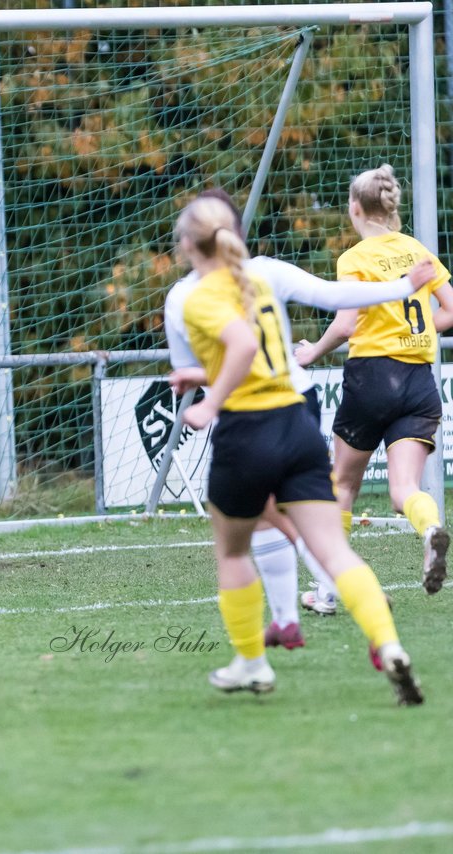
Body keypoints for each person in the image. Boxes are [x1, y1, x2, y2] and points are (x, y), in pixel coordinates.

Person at [168, 194, 424, 705]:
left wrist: (206, 400)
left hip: (246, 430)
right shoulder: (261, 273)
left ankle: (251, 663)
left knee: (233, 549)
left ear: (185, 246)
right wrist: (403, 285)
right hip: (297, 423)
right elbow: (333, 297)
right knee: (333, 549)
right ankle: (388, 643)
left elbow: (240, 348)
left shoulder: (186, 298)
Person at [295, 164, 453, 607]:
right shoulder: (416, 249)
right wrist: (414, 335)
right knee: (405, 491)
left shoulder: (354, 258)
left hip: (372, 377)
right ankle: (431, 530)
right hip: (419, 381)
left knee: (342, 484)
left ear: (354, 208)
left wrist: (313, 351)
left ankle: (328, 591)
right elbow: (450, 309)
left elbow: (346, 324)